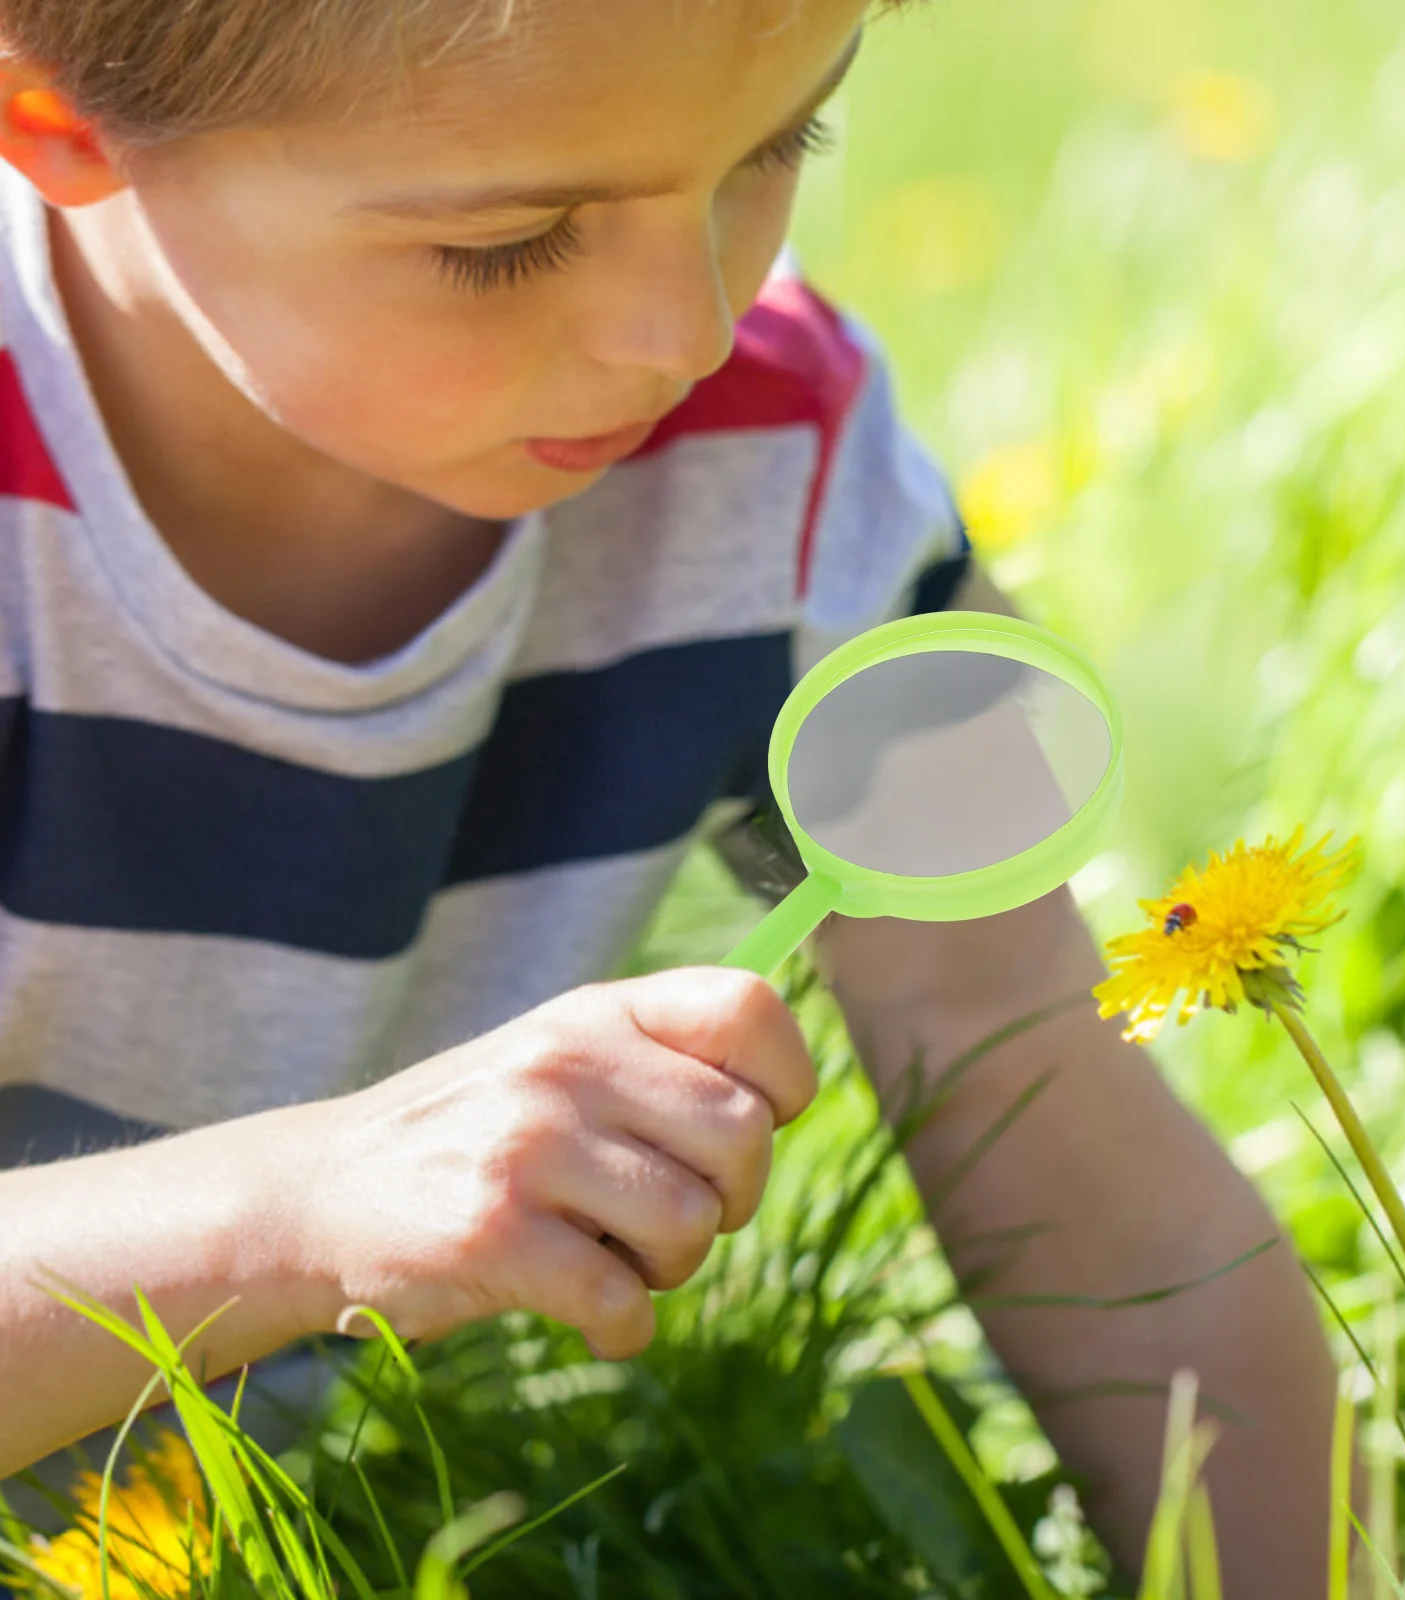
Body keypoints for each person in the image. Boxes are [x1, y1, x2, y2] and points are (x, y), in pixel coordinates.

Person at [0, 0, 1337, 1588]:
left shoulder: (770, 461)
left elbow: (1036, 1079)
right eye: (507, 243)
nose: (686, 330)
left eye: (777, 145)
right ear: (56, 117)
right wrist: (288, 1213)